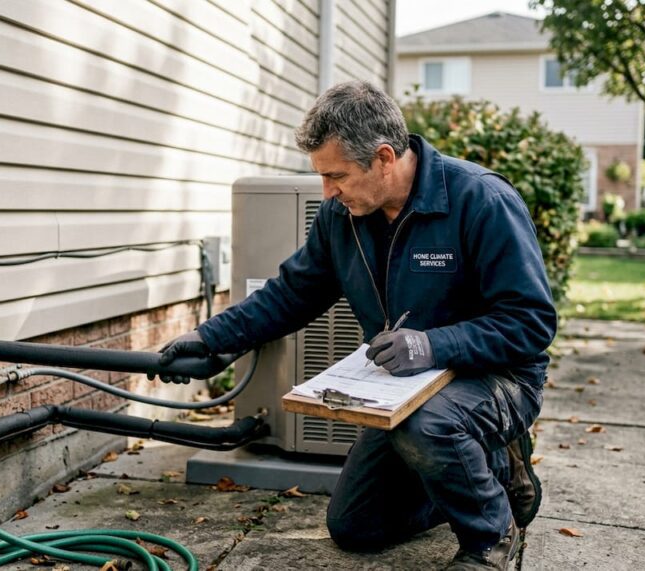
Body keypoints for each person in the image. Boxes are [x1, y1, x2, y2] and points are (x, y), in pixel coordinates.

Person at [155, 80, 556, 570]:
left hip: (499, 377)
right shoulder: (341, 217)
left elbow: (531, 323)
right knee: (355, 526)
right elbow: (290, 294)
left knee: (427, 426)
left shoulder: (481, 200)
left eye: (337, 176)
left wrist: (432, 345)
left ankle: (490, 537)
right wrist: (209, 338)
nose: (327, 191)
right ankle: (490, 467)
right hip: (406, 389)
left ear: (384, 158)